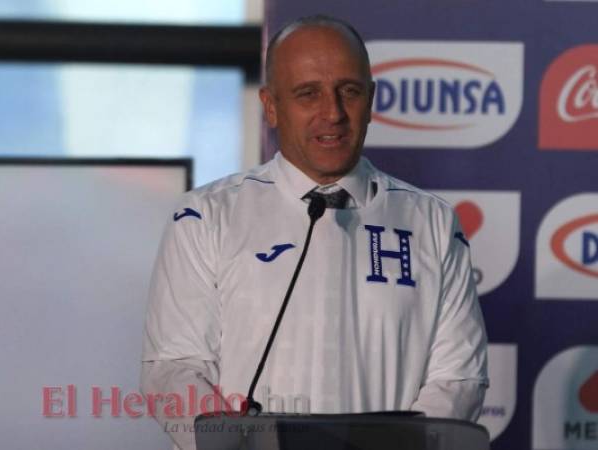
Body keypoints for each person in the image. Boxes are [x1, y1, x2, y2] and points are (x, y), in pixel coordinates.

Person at [141, 15, 488, 450]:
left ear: (372, 99)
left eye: (350, 91)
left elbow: (458, 377)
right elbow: (174, 366)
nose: (333, 113)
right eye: (308, 93)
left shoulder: (432, 223)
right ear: (271, 106)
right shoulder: (206, 216)